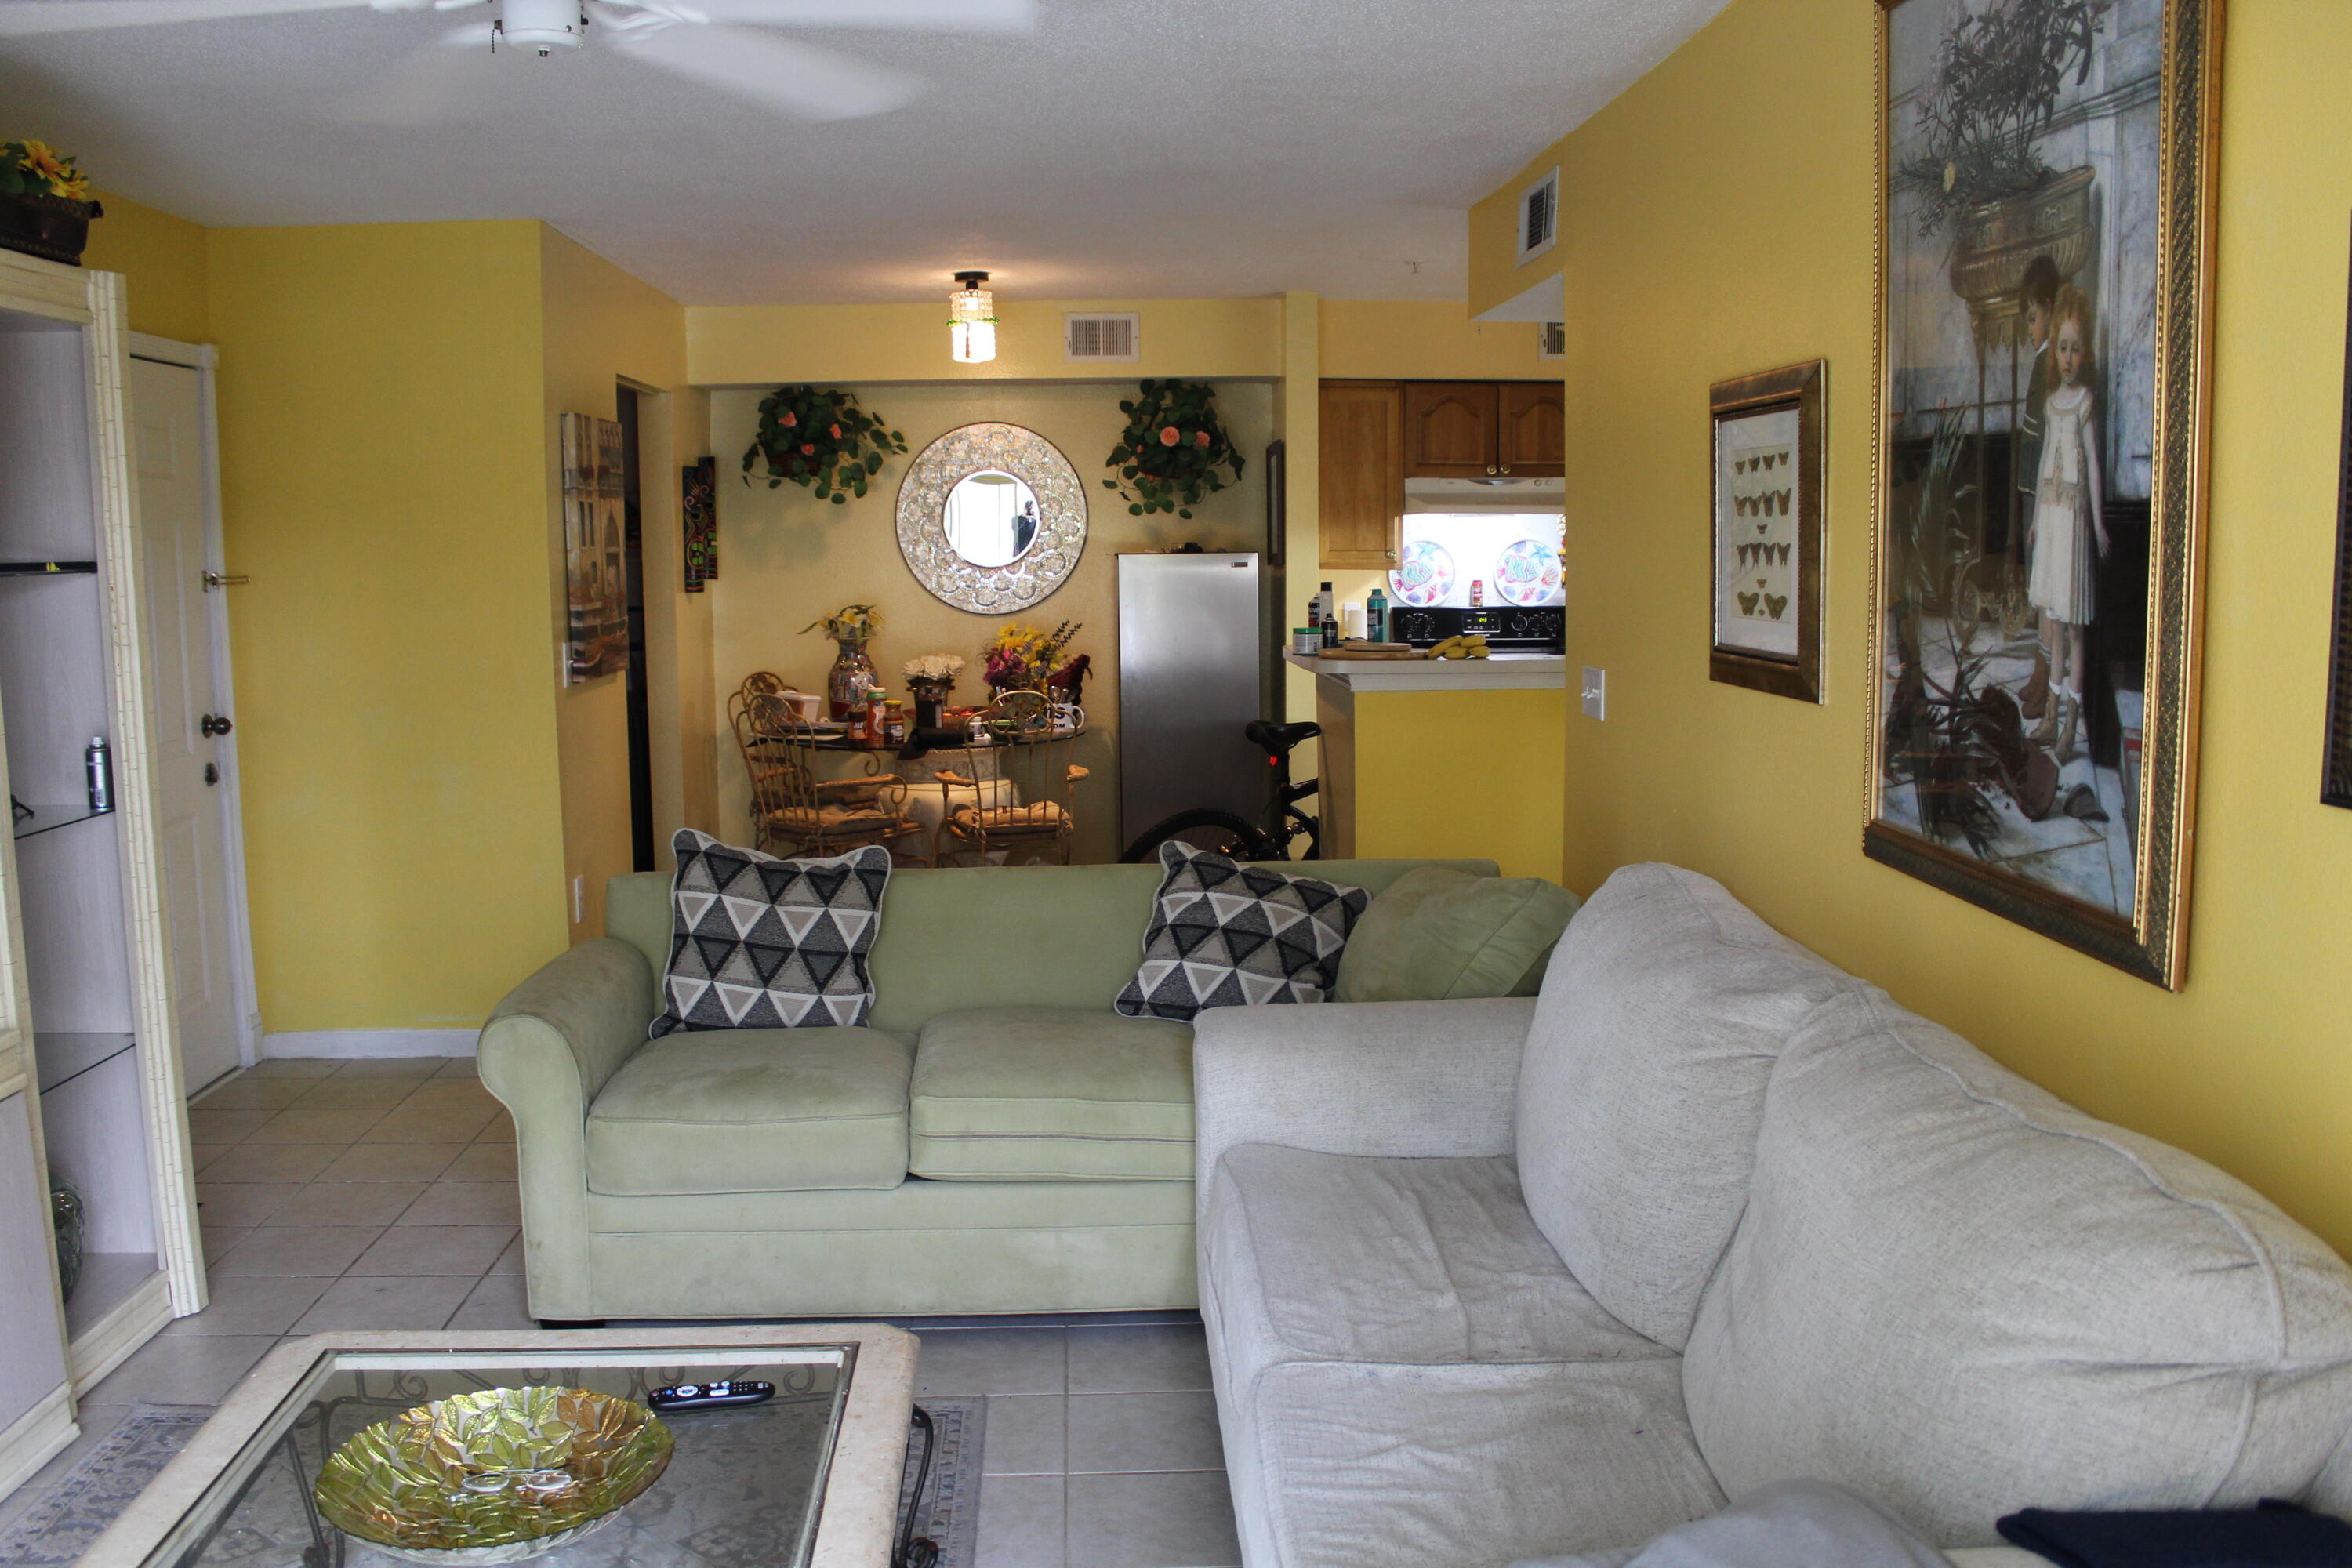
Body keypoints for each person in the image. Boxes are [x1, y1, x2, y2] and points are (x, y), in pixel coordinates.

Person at [2026, 285, 2107, 763]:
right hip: (2053, 521)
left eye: (2077, 348)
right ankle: (2051, 713)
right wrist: (2036, 518)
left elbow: (2093, 463)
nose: (2069, 357)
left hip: (2075, 521)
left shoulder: (2083, 404)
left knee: (2075, 625)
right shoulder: (2053, 402)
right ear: (2054, 351)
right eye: (2063, 347)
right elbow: (2041, 467)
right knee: (2054, 620)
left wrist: (2098, 525)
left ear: (2086, 351)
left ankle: (2073, 719)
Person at [2014, 255, 2061, 720]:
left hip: (2043, 497)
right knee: (2036, 588)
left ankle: (2046, 675)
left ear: (2048, 308)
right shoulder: (2041, 360)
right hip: (2032, 491)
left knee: (2045, 590)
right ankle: (2037, 669)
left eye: (2033, 318)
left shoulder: (2051, 364)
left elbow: (2048, 440)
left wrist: (2039, 506)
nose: (2030, 329)